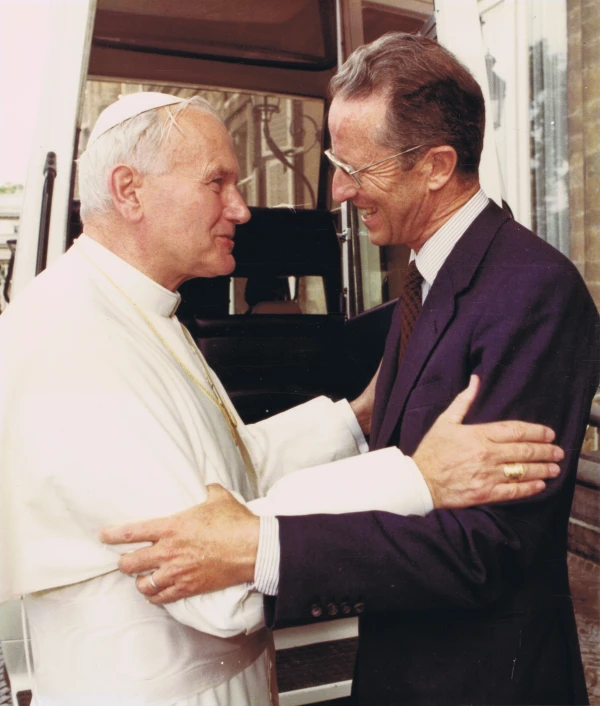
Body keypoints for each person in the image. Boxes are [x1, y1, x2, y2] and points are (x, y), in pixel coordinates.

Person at [102, 34, 600, 706]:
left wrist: (264, 548)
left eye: (355, 168)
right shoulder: (426, 281)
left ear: (435, 166)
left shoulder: (533, 291)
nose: (337, 190)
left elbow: (485, 547)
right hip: (402, 668)